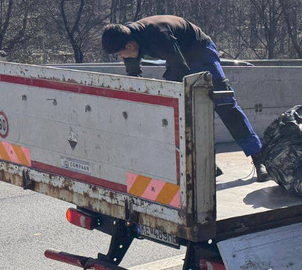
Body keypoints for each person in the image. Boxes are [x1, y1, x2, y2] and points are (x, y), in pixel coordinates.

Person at [101, 15, 267, 181]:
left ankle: (258, 157)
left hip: (200, 50)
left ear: (130, 45)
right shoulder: (128, 36)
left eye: (120, 54)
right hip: (176, 55)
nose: (121, 57)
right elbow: (134, 74)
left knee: (223, 103)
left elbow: (180, 70)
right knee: (177, 111)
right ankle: (204, 163)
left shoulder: (159, 35)